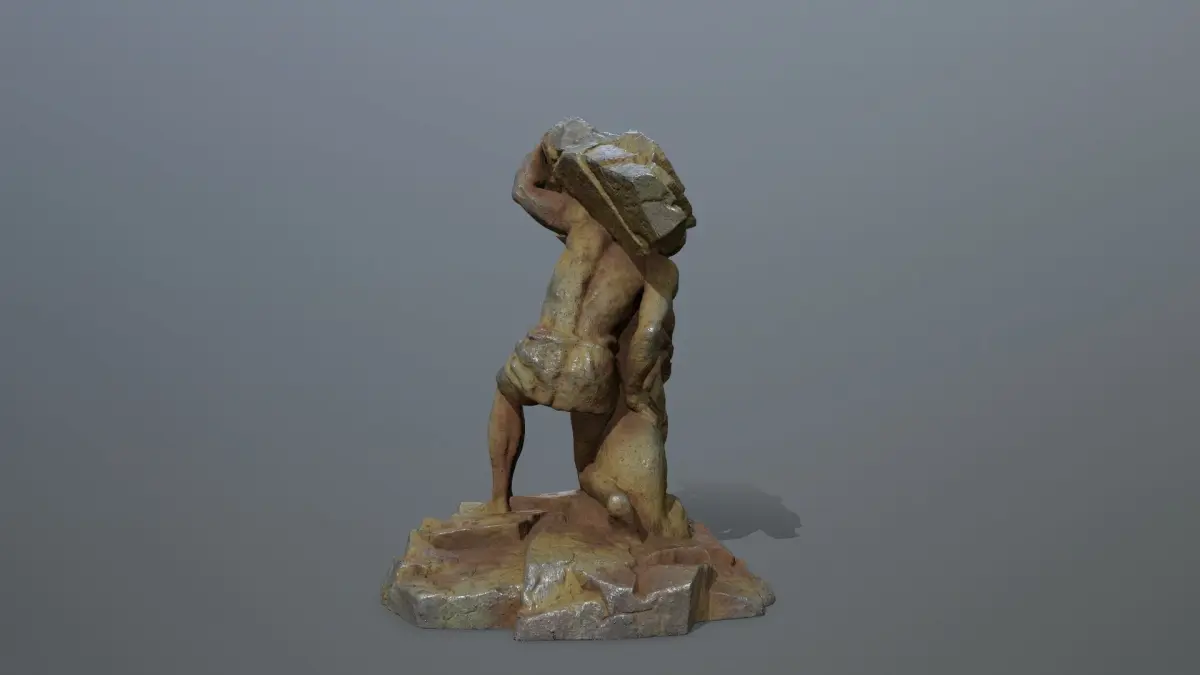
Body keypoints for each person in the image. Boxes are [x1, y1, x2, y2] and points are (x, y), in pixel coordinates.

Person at [485, 142, 689, 538]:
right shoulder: (657, 267)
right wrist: (638, 398)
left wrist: (543, 150)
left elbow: (523, 189)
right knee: (589, 465)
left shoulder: (581, 217)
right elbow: (647, 337)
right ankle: (611, 498)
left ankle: (498, 500)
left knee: (506, 394)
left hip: (543, 345)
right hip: (591, 364)